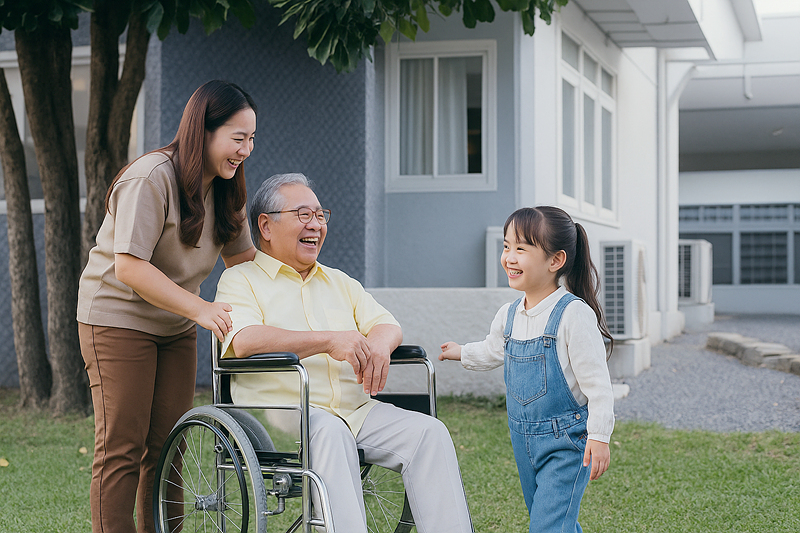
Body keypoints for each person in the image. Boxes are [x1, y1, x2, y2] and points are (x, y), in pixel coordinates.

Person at [215, 173, 474, 533]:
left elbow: (387, 324)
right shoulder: (241, 279)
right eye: (303, 214)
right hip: (284, 413)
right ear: (266, 226)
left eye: (320, 215)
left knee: (429, 433)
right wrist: (328, 340)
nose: (316, 225)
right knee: (331, 431)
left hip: (356, 410)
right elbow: (244, 340)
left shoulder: (339, 281)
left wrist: (379, 345)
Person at [77, 80, 258, 533]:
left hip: (175, 325)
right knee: (122, 446)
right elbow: (130, 267)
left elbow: (245, 262)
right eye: (238, 138)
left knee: (169, 447)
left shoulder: (226, 188)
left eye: (252, 139)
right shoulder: (151, 177)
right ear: (204, 131)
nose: (246, 150)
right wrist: (200, 309)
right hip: (117, 319)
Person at [439, 206, 615, 533]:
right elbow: (493, 350)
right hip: (522, 440)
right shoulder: (509, 315)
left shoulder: (573, 315)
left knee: (547, 525)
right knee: (551, 520)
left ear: (555, 260)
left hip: (565, 442)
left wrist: (600, 436)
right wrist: (461, 352)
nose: (509, 257)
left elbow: (598, 386)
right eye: (506, 246)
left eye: (521, 248)